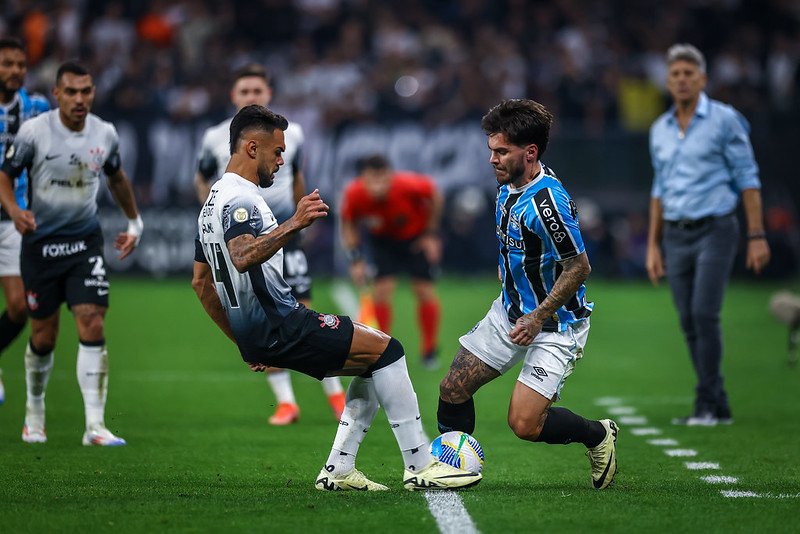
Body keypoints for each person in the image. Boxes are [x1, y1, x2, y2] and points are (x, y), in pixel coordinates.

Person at [193, 104, 482, 491]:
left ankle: (339, 470)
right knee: (390, 351)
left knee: (371, 358)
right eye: (277, 152)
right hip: (283, 323)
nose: (282, 161)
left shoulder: (210, 203)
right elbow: (242, 256)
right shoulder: (240, 199)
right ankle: (420, 465)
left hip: (262, 333)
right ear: (251, 148)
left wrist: (244, 343)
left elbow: (201, 283)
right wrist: (294, 223)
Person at [436, 99, 619, 490]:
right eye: (491, 151)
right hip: (510, 314)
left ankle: (597, 435)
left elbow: (579, 266)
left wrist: (538, 316)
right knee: (452, 388)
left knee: (523, 424)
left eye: (501, 151)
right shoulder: (507, 185)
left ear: (530, 152)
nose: (493, 160)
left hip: (555, 324)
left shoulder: (547, 204)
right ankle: (455, 468)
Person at [0, 61, 143, 445]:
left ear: (93, 93)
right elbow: (5, 175)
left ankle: (95, 426)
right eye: (72, 92)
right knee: (44, 336)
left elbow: (116, 177)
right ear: (57, 94)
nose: (80, 99)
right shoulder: (34, 132)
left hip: (84, 244)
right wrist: (14, 211)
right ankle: (34, 409)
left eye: (87, 91)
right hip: (40, 247)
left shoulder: (105, 133)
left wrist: (134, 223)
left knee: (92, 321)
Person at [195, 64, 344, 425]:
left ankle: (336, 396)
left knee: (302, 309)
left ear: (268, 94)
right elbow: (203, 178)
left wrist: (299, 223)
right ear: (234, 97)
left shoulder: (293, 135)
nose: (251, 96)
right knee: (266, 315)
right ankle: (286, 401)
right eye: (244, 91)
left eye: (257, 91)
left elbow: (295, 175)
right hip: (240, 231)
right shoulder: (215, 137)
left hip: (283, 231)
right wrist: (209, 219)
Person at [645, 44, 771, 426]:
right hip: (676, 235)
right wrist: (652, 244)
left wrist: (757, 235)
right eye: (676, 74)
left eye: (689, 73)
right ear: (667, 82)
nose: (682, 80)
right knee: (687, 319)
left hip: (716, 228)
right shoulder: (659, 130)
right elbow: (659, 189)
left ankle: (706, 403)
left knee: (704, 313)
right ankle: (718, 403)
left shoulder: (725, 120)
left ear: (703, 79)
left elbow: (748, 179)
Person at [340, 155, 443, 369]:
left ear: (390, 177)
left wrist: (431, 234)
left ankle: (429, 350)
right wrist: (356, 260)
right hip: (383, 243)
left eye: (382, 180)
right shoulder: (354, 194)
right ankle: (382, 347)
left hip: (414, 240)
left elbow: (435, 195)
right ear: (364, 179)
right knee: (381, 292)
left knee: (424, 291)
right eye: (372, 181)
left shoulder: (408, 185)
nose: (378, 186)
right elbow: (349, 224)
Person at [0, 37, 50, 405]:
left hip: (14, 219)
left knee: (19, 307)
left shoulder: (36, 108)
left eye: (20, 64)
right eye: (7, 64)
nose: (15, 71)